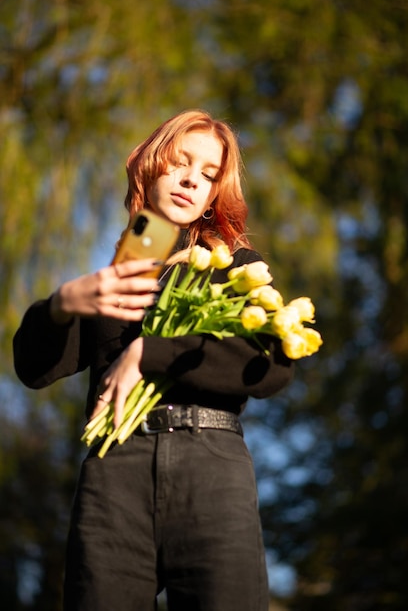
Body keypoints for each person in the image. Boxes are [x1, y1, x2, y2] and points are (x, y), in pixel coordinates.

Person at [13, 109, 293, 611]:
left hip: (210, 468)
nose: (191, 179)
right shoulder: (124, 267)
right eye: (180, 163)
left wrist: (149, 352)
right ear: (150, 166)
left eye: (208, 175)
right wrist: (59, 306)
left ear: (214, 195)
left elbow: (271, 365)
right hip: (113, 475)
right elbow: (33, 368)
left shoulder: (235, 266)